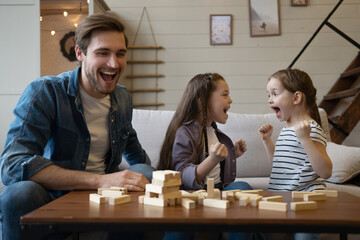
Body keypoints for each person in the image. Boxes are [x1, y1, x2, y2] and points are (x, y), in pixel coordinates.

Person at [0, 13, 155, 240]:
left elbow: (136, 153)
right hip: (55, 196)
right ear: (80, 53)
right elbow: (11, 165)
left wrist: (160, 179)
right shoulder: (45, 92)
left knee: (147, 172)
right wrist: (101, 180)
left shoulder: (122, 97)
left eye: (120, 54)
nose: (114, 64)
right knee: (19, 194)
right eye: (103, 53)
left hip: (108, 198)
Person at [158, 73, 253, 240]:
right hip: (192, 194)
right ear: (202, 100)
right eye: (225, 94)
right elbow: (183, 173)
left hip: (218, 190)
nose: (230, 100)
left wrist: (233, 154)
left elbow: (214, 164)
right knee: (181, 226)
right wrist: (213, 159)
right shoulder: (185, 132)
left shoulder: (215, 132)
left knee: (243, 187)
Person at [258, 68, 333, 240]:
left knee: (305, 233)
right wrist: (267, 141)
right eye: (268, 95)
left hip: (306, 198)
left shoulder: (311, 129)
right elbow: (279, 166)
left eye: (275, 94)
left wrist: (305, 139)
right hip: (282, 196)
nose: (270, 100)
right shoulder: (286, 130)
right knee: (254, 224)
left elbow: (326, 171)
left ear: (296, 98)